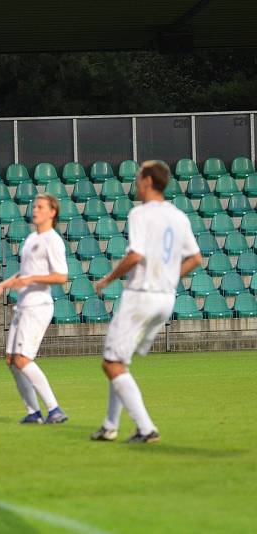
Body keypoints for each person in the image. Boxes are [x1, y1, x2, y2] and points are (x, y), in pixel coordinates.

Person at [92, 161, 201, 444]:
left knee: (111, 364)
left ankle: (145, 428)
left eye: (139, 176)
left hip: (141, 295)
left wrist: (108, 279)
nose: (136, 181)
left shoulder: (139, 213)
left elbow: (135, 255)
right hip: (165, 298)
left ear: (149, 181)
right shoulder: (178, 216)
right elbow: (196, 258)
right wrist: (169, 277)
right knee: (120, 362)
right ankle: (109, 425)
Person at [0, 193, 69, 424]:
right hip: (23, 305)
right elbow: (24, 273)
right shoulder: (32, 238)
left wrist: (31, 279)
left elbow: (61, 276)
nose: (35, 210)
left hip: (38, 306)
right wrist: (4, 285)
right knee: (12, 360)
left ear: (52, 212)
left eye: (40, 207)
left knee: (23, 359)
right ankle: (34, 412)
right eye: (34, 206)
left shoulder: (52, 240)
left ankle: (54, 409)